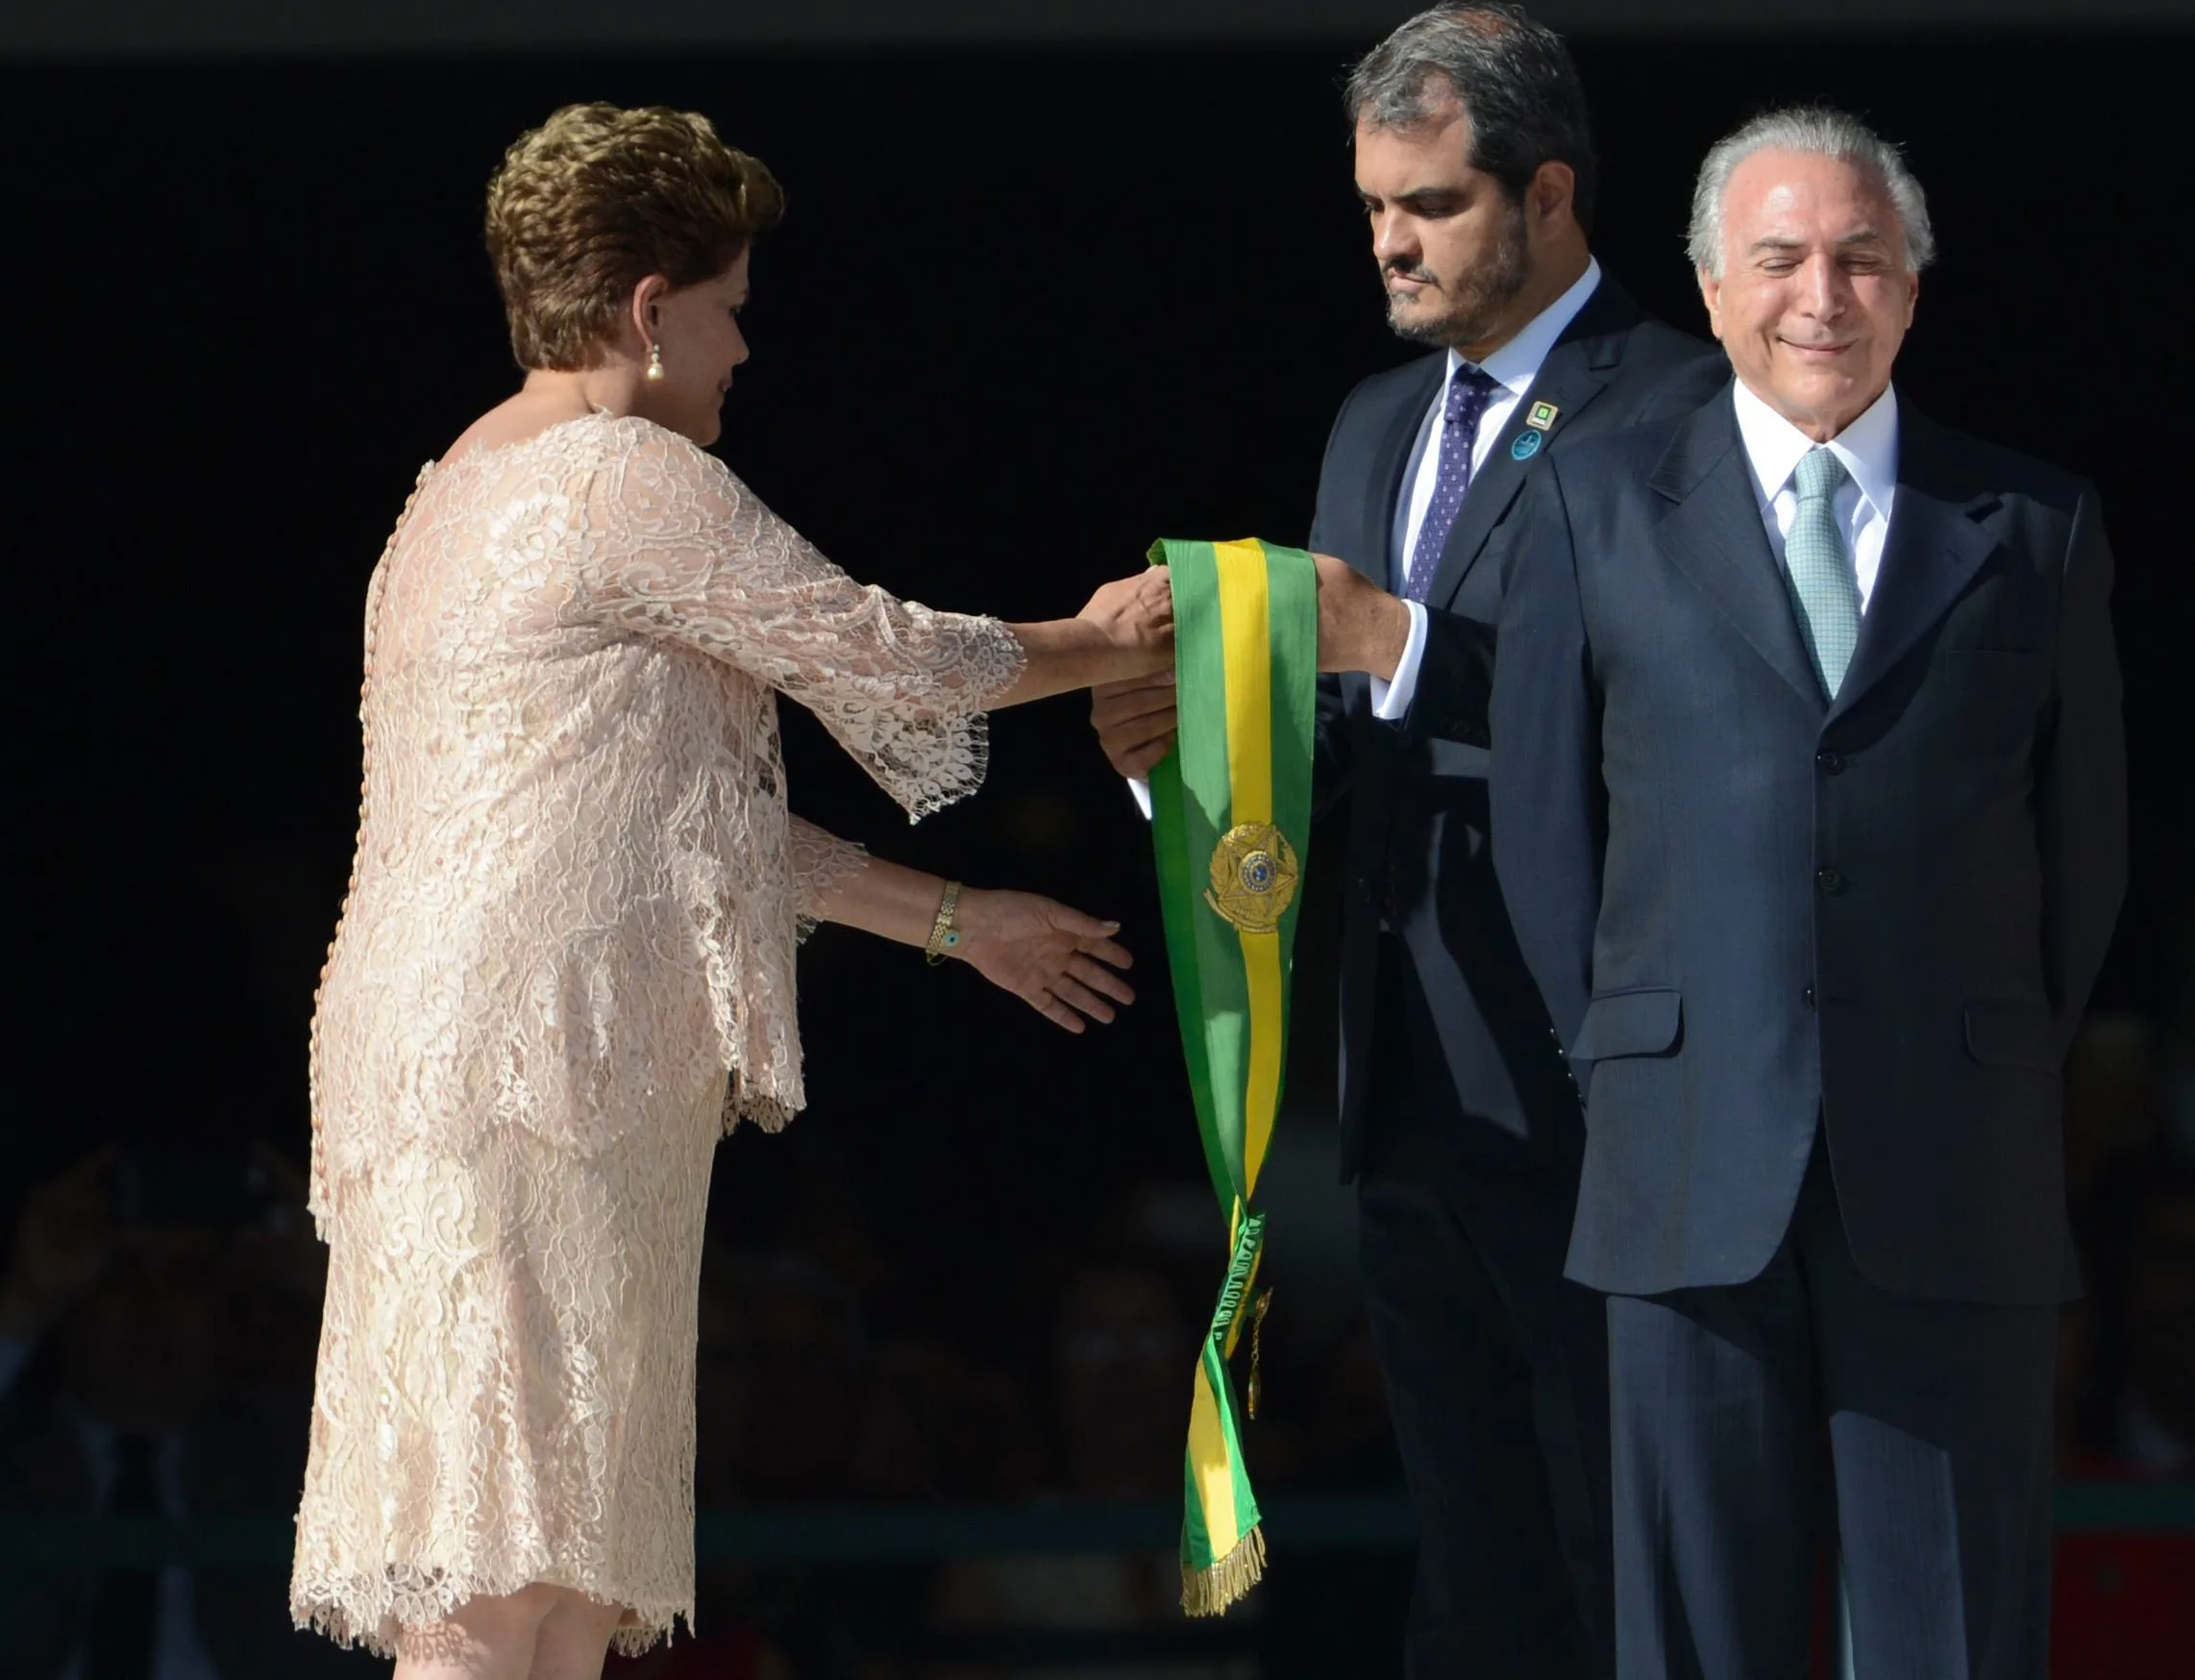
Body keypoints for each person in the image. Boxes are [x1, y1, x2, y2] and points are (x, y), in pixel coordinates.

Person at [289, 102, 1174, 1680]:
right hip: (527, 1073)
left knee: (549, 1592)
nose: (744, 350)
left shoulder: (458, 491)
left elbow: (665, 836)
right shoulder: (613, 474)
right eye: (733, 308)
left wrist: (958, 921)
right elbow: (881, 652)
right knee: (498, 1595)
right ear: (648, 306)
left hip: (517, 1071)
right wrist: (1107, 642)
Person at [1091, 8, 1723, 1673]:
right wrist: (1180, 765)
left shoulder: (1680, 411)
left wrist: (1409, 649)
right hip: (1405, 1108)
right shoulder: (1374, 423)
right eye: (1374, 203)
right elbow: (1338, 756)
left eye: (1432, 203)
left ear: (1553, 195)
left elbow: (1696, 746)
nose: (1390, 237)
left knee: (1626, 1581)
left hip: (1600, 1111)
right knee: (1476, 1590)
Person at [1490, 107, 2127, 1678]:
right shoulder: (1592, 507)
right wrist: (1636, 1055)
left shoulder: (2033, 528)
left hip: (1952, 1166)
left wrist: (1987, 1053)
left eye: (1861, 259)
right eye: (1778, 259)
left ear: (1912, 289)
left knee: (1954, 1640)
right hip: (1683, 1161)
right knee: (1699, 1637)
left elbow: (2088, 852)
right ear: (1709, 290)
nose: (1820, 297)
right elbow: (1541, 832)